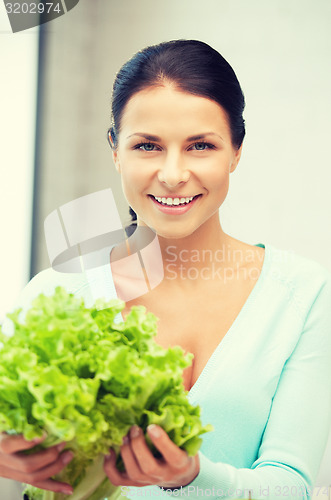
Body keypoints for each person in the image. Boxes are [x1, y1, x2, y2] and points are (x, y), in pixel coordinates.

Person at [0, 39, 330, 499]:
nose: (173, 174)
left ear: (236, 151)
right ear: (115, 150)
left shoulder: (302, 294)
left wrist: (191, 478)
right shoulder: (54, 295)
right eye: (148, 146)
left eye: (200, 145)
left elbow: (292, 485)